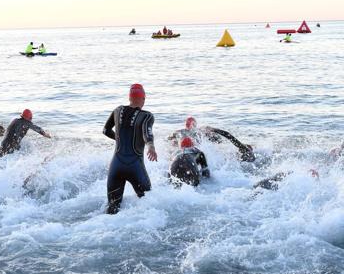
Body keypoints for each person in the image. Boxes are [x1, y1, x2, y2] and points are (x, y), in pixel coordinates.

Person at [103, 84, 158, 214]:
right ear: (143, 99)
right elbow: (147, 134)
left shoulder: (117, 110)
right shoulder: (147, 116)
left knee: (112, 209)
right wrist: (151, 146)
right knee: (149, 205)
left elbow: (105, 130)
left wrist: (120, 139)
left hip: (116, 166)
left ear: (129, 98)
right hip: (135, 167)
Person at [169, 117, 255, 162]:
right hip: (198, 153)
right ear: (195, 124)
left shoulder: (178, 132)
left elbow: (169, 141)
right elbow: (226, 135)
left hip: (184, 153)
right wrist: (241, 146)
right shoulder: (202, 130)